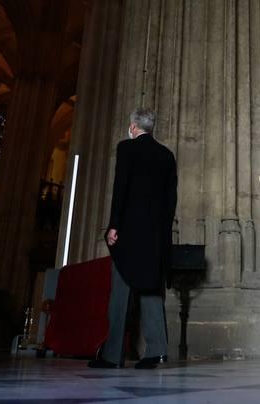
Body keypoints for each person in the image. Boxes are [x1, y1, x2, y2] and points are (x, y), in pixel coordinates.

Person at [89, 108, 177, 370]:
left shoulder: (127, 149)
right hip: (155, 235)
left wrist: (114, 225)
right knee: (151, 290)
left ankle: (112, 355)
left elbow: (121, 188)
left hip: (129, 232)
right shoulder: (166, 155)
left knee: (121, 291)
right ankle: (157, 351)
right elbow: (171, 199)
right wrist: (163, 231)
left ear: (133, 126)